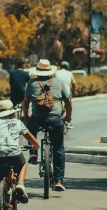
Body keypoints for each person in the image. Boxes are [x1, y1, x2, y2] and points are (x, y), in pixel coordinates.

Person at [0, 99, 39, 210]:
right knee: (23, 164)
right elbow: (31, 138)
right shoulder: (17, 122)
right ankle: (20, 184)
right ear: (12, 112)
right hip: (14, 154)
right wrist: (36, 146)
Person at [22, 58, 72, 192]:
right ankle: (59, 180)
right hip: (55, 119)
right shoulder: (58, 82)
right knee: (59, 147)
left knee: (30, 129)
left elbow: (25, 103)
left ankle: (33, 152)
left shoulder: (32, 83)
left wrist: (26, 115)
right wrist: (68, 116)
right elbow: (67, 101)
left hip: (37, 118)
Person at [55, 60, 75, 128]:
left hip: (57, 92)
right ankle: (68, 120)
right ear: (67, 67)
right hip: (67, 92)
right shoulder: (70, 73)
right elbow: (73, 84)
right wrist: (74, 91)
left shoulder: (56, 73)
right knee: (69, 103)